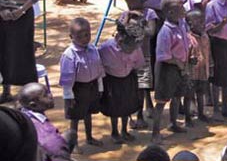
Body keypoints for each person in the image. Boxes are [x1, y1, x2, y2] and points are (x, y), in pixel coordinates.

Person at [59, 17, 105, 149]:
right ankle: (74, 144)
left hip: (92, 87)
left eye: (87, 35)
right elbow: (67, 78)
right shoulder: (69, 55)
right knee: (75, 117)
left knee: (88, 113)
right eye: (80, 36)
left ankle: (89, 138)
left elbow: (99, 69)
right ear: (71, 36)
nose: (85, 39)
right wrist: (69, 96)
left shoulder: (93, 49)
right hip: (77, 89)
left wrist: (100, 87)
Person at [98, 16, 145, 144]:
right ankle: (114, 131)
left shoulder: (136, 47)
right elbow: (99, 67)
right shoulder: (105, 48)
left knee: (127, 106)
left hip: (128, 80)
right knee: (114, 107)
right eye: (129, 46)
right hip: (112, 82)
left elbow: (138, 63)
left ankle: (124, 130)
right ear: (120, 38)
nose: (131, 50)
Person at [152, 0, 191, 143]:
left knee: (176, 96)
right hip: (167, 69)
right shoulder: (165, 32)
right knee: (162, 101)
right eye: (180, 7)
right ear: (170, 13)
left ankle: (173, 123)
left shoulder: (180, 23)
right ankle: (155, 133)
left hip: (180, 67)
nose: (183, 9)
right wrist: (178, 63)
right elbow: (163, 56)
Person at [123, 0, 158, 129]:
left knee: (143, 86)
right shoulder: (125, 14)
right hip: (128, 58)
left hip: (144, 57)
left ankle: (140, 115)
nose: (130, 7)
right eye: (128, 4)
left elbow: (151, 32)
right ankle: (133, 114)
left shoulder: (149, 13)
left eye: (133, 3)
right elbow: (121, 31)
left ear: (142, 0)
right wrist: (127, 20)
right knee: (132, 87)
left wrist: (141, 21)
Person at [19, 82, 76, 161]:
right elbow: (54, 148)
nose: (51, 96)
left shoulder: (22, 113)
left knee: (70, 134)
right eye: (45, 95)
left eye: (48, 92)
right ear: (33, 105)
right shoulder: (50, 138)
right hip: (48, 154)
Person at [185, 8, 212, 123]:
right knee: (189, 95)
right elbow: (185, 55)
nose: (202, 24)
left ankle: (201, 113)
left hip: (203, 71)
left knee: (201, 93)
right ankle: (188, 118)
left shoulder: (205, 36)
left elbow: (208, 53)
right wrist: (189, 61)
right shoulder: (187, 38)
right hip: (191, 73)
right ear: (190, 24)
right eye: (199, 22)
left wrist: (210, 65)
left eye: (203, 21)